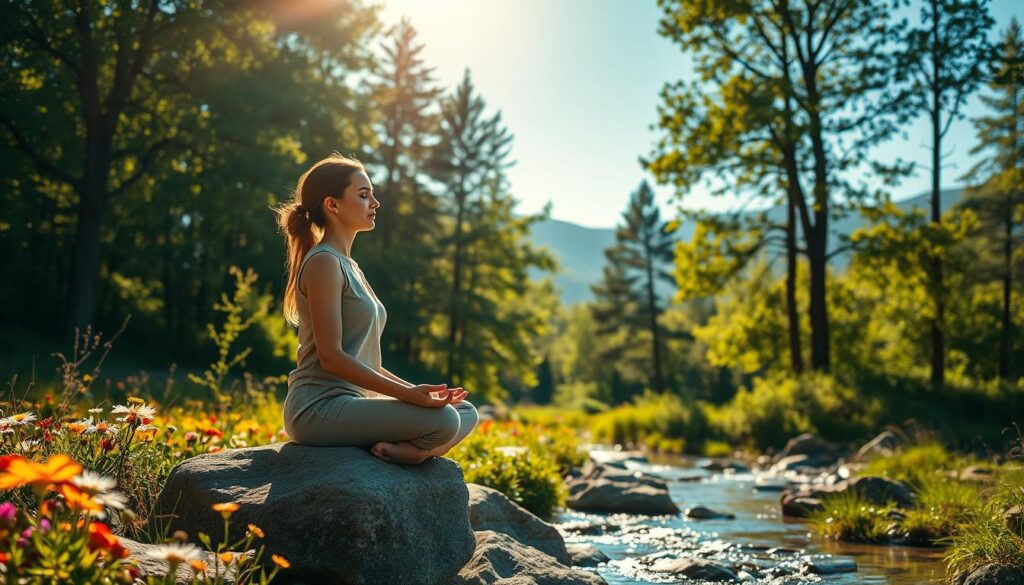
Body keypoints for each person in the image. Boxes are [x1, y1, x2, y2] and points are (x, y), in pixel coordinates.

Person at [275, 153, 478, 464]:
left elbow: (365, 361)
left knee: (464, 411)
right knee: (446, 421)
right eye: (363, 194)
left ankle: (419, 453)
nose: (375, 202)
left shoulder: (350, 266)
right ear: (333, 205)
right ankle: (418, 454)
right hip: (317, 407)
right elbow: (331, 357)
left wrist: (420, 393)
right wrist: (409, 396)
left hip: (352, 402)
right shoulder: (324, 262)